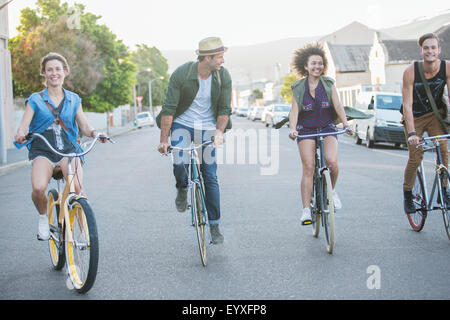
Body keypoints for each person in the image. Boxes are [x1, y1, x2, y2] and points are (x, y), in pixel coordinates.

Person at [14, 52, 107, 241]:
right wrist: (20, 135)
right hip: (43, 151)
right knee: (39, 188)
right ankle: (43, 217)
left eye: (58, 69)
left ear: (65, 72)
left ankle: (86, 238)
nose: (54, 73)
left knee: (78, 190)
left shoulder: (74, 99)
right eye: (49, 70)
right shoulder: (35, 100)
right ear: (44, 73)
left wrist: (96, 133)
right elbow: (23, 127)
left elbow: (85, 126)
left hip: (69, 151)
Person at [157, 37, 232, 244]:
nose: (222, 61)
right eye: (219, 57)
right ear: (206, 58)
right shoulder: (183, 73)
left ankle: (214, 225)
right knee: (179, 160)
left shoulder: (222, 76)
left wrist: (219, 131)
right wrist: (164, 140)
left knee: (210, 176)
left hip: (208, 127)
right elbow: (169, 108)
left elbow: (225, 108)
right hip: (182, 124)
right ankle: (182, 187)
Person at [288, 43, 351, 225]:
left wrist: (346, 124)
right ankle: (306, 210)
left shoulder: (329, 84)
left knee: (332, 162)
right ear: (306, 66)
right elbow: (294, 111)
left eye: (321, 63)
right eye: (313, 63)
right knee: (308, 167)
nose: (318, 66)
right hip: (306, 130)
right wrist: (293, 128)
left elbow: (338, 106)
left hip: (327, 127)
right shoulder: (299, 87)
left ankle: (332, 191)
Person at [401, 33, 450, 213]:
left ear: (439, 49)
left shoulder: (447, 67)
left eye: (433, 47)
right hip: (415, 117)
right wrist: (413, 133)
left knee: (444, 150)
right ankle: (407, 194)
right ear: (421, 50)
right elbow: (407, 104)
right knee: (415, 156)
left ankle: (444, 190)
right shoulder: (410, 71)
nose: (430, 51)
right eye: (426, 48)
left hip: (436, 115)